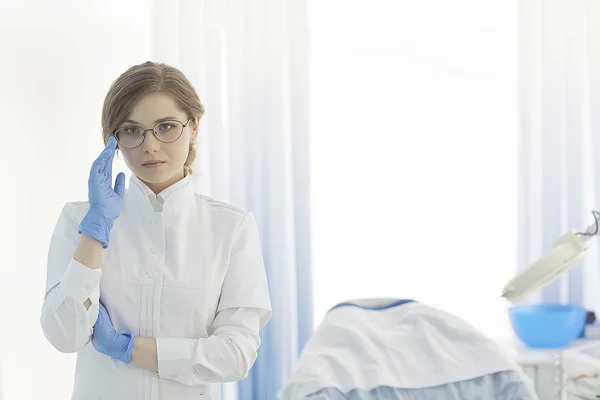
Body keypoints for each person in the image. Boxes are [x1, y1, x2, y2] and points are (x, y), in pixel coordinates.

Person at [40, 61, 272, 400]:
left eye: (166, 126)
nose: (150, 145)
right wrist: (95, 233)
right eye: (132, 130)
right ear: (114, 140)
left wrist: (129, 349)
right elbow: (63, 336)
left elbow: (236, 354)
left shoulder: (231, 228)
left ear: (194, 127)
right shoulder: (80, 221)